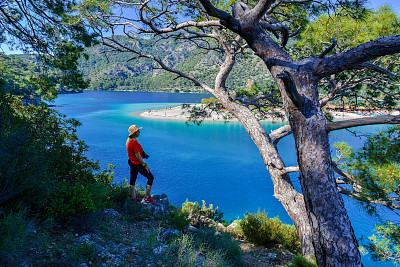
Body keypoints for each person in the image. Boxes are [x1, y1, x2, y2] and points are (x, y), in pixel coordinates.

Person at [126, 124, 156, 203]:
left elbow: (135, 153)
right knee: (150, 177)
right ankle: (147, 197)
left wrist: (144, 155)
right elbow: (138, 156)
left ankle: (133, 197)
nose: (139, 132)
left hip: (131, 162)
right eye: (138, 131)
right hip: (137, 163)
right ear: (135, 133)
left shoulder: (129, 141)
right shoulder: (134, 142)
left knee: (133, 179)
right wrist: (145, 165)